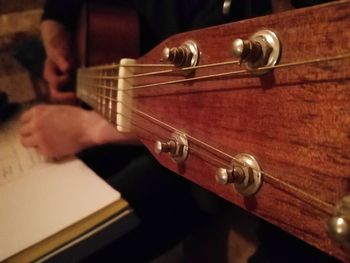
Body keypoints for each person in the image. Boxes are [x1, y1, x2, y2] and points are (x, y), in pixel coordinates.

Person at [20, 0, 339, 262]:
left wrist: (88, 129)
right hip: (106, 102)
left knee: (72, 247)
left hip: (179, 152)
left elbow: (219, 100)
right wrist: (56, 41)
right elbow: (59, 9)